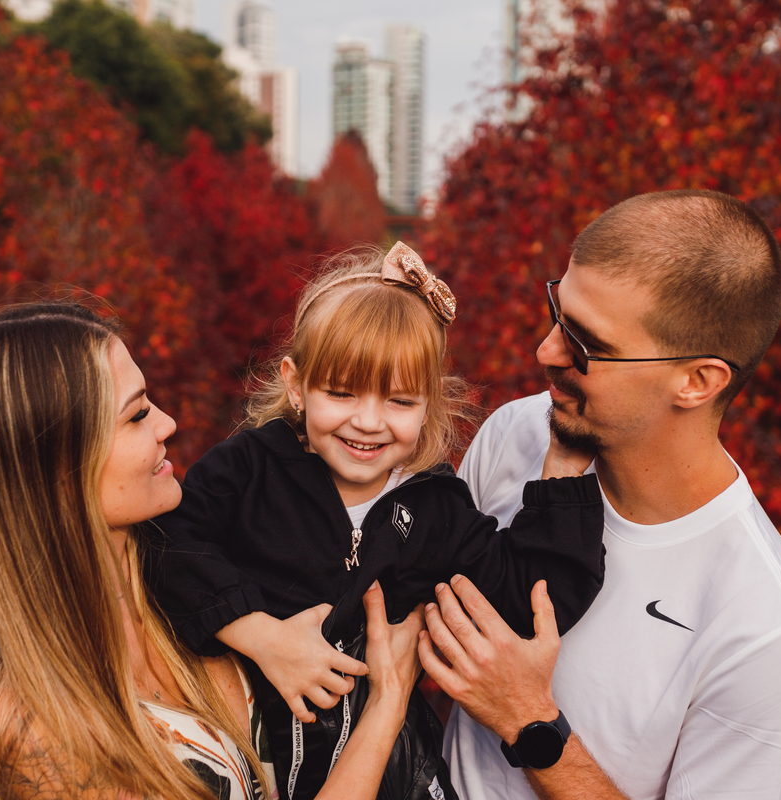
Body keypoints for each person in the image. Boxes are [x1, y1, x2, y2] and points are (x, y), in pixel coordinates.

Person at [0, 300, 428, 800]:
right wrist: (386, 705)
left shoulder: (196, 586)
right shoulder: (32, 730)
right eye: (137, 414)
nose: (168, 424)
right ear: (54, 471)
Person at [149, 244, 607, 800]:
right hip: (252, 757)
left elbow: (526, 596)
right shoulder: (249, 469)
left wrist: (565, 467)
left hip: (388, 770)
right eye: (341, 393)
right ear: (297, 384)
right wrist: (263, 637)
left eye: (399, 401)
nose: (367, 422)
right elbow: (167, 545)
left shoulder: (436, 508)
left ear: (429, 402)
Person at [421, 190, 781, 800]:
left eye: (587, 345)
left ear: (697, 381)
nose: (546, 352)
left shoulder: (767, 629)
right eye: (558, 312)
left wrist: (530, 722)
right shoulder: (517, 434)